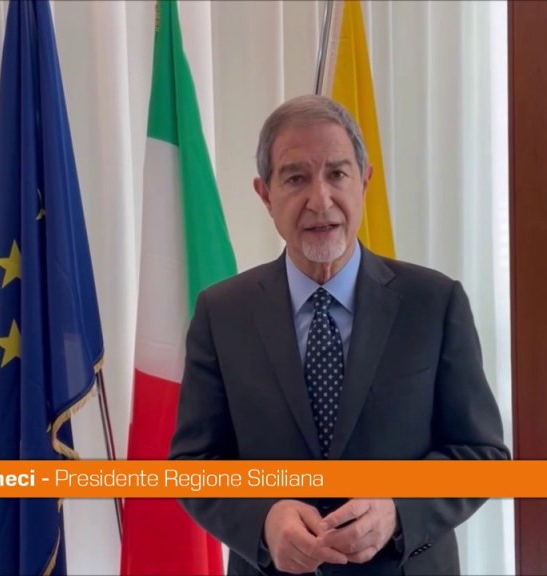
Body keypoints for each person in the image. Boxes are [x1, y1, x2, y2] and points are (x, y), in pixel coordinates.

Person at [169, 94, 511, 576]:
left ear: (364, 182)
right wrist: (263, 519)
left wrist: (398, 508)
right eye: (295, 178)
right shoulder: (222, 313)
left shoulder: (434, 303)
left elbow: (481, 453)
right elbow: (194, 463)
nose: (321, 200)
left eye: (337, 174)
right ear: (265, 195)